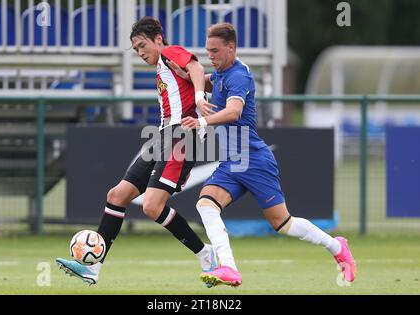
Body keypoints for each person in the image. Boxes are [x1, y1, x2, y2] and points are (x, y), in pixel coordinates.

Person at [172, 23, 357, 287]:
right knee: (206, 204)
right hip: (232, 162)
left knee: (282, 223)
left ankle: (337, 247)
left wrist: (201, 122)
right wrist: (182, 71)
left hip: (254, 160)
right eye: (207, 51)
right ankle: (229, 268)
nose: (210, 56)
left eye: (215, 51)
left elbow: (234, 111)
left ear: (231, 47)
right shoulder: (222, 73)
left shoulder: (239, 76)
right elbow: (204, 79)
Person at [56, 17, 217, 285]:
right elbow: (196, 75)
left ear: (158, 39)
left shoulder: (168, 52)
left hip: (181, 137)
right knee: (117, 195)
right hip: (163, 135)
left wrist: (200, 97)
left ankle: (206, 254)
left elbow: (195, 66)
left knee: (153, 206)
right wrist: (209, 85)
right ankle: (93, 267)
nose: (141, 53)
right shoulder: (164, 66)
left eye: (143, 45)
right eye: (136, 49)